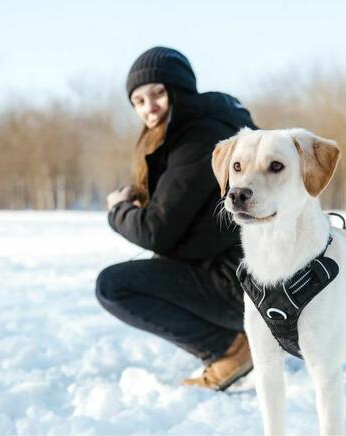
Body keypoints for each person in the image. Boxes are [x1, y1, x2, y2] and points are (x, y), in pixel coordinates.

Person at [95, 47, 257, 391]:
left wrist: (118, 210)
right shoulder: (211, 126)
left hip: (243, 282)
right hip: (250, 274)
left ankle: (230, 348)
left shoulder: (199, 138)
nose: (149, 107)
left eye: (157, 93)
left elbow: (156, 231)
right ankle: (236, 339)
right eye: (138, 101)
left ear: (179, 90)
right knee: (158, 265)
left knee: (113, 286)